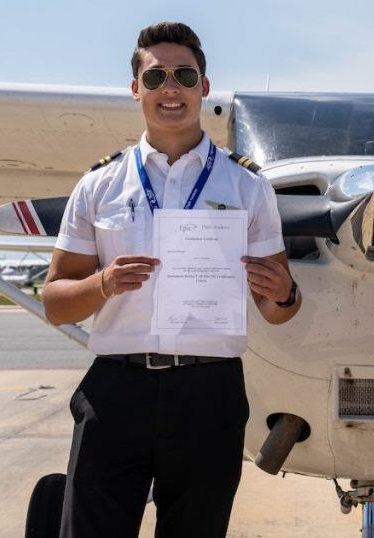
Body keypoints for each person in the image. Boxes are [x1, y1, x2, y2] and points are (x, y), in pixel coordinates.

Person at [43, 22, 301, 538]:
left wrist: (283, 293)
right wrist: (102, 284)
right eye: (156, 76)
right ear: (136, 88)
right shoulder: (100, 184)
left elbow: (279, 306)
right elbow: (54, 301)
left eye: (184, 74)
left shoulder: (248, 186)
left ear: (204, 87)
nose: (171, 88)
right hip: (116, 389)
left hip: (208, 391)